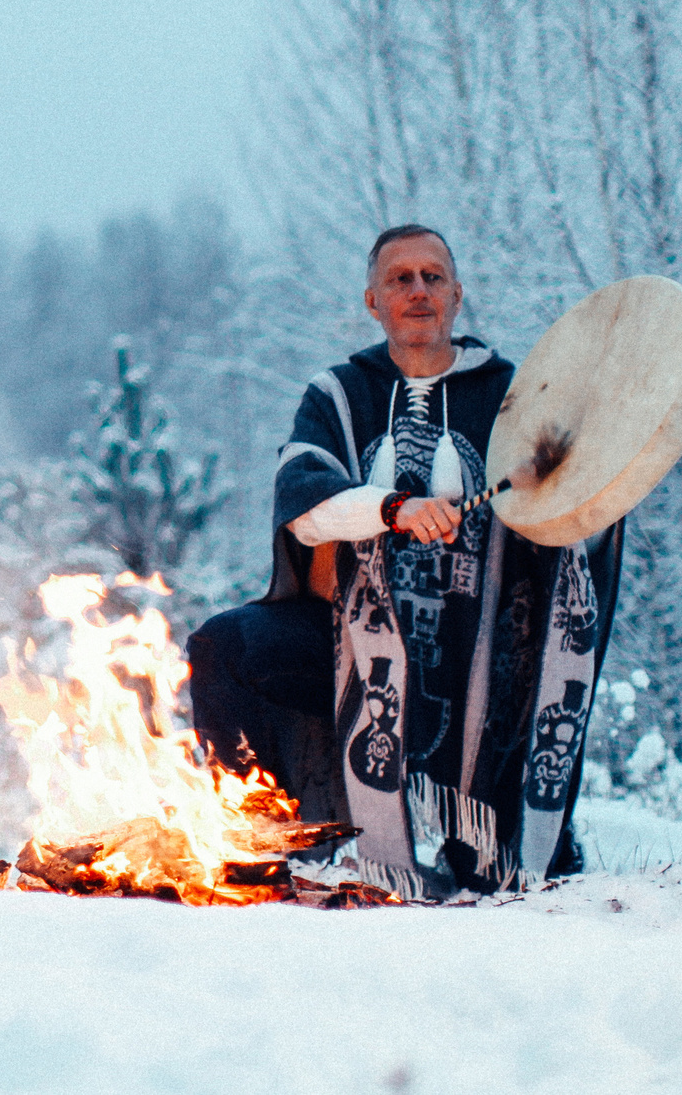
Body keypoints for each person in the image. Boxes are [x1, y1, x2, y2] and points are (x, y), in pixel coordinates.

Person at [185, 225, 623, 898]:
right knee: (226, 645)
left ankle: (505, 836)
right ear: (373, 301)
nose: (418, 290)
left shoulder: (516, 395)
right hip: (353, 652)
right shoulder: (338, 394)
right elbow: (304, 503)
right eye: (400, 278)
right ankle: (270, 846)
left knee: (503, 878)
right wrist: (393, 508)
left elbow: (577, 509)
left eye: (433, 276)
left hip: (485, 668)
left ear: (456, 294)